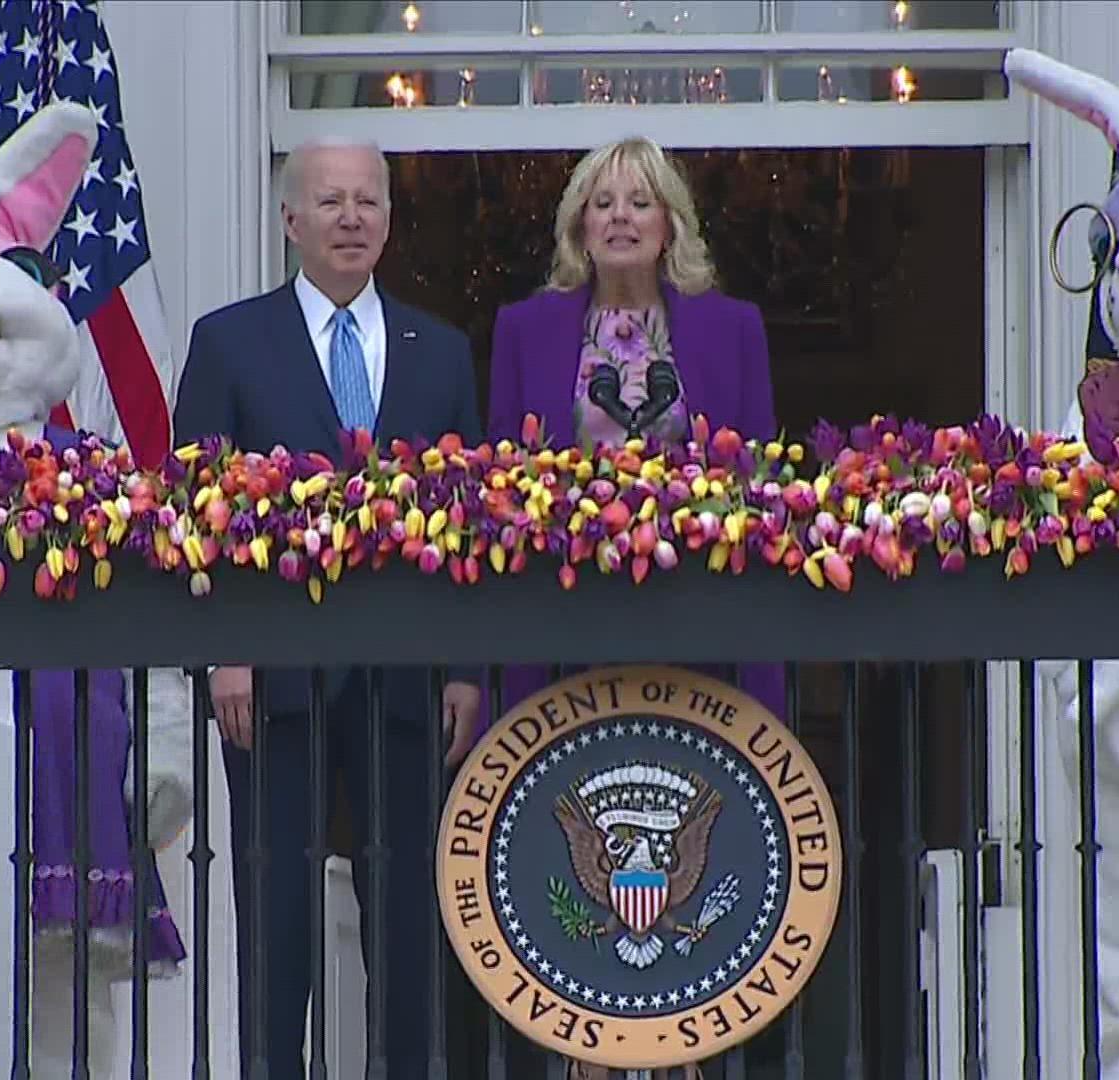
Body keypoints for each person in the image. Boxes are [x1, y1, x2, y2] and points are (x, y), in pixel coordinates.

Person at [170, 135, 484, 1077]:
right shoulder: (230, 340)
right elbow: (198, 508)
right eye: (331, 201)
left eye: (369, 202)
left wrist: (466, 667)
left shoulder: (443, 350)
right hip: (272, 681)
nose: (352, 218)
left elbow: (469, 520)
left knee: (408, 918)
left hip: (404, 678)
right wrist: (225, 647)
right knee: (277, 916)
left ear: (389, 219)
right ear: (290, 220)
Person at [485, 135, 786, 1080]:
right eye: (602, 202)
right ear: (580, 223)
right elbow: (495, 488)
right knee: (566, 869)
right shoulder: (526, 330)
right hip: (565, 647)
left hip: (691, 648)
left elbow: (762, 493)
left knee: (690, 865)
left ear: (669, 228)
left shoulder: (730, 329)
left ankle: (685, 1056)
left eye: (639, 203)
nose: (619, 217)